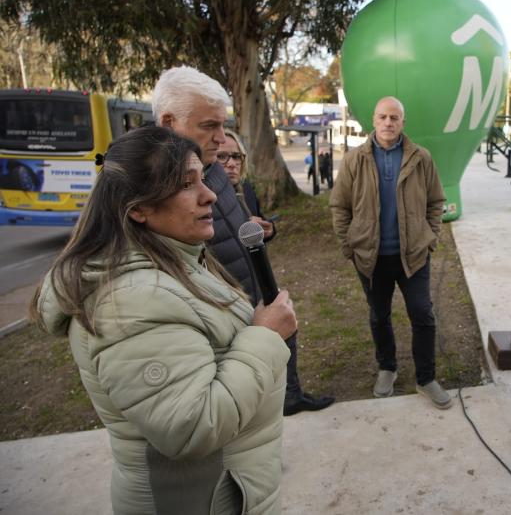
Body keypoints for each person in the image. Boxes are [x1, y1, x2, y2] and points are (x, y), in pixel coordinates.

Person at [30, 127, 296, 514]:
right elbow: (191, 427)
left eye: (202, 179)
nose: (209, 194)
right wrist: (265, 338)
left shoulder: (175, 260)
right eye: (186, 185)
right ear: (138, 208)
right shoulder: (131, 300)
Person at [152, 66, 334, 416]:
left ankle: (290, 398)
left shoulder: (214, 168)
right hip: (219, 331)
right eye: (210, 126)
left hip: (256, 293)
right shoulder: (148, 186)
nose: (222, 139)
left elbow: (235, 224)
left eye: (223, 125)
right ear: (168, 122)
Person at [330, 96, 450, 409]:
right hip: (370, 258)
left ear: (402, 122)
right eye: (383, 117)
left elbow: (436, 201)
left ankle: (426, 378)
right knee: (378, 315)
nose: (388, 123)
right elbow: (339, 206)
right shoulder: (355, 159)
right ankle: (387, 368)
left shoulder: (421, 158)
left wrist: (430, 237)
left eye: (394, 117)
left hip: (412, 257)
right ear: (373, 119)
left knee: (422, 314)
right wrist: (349, 246)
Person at [218, 129, 275, 238]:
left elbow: (259, 218)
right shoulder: (205, 197)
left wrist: (269, 230)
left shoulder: (245, 188)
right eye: (221, 156)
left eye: (236, 156)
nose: (231, 164)